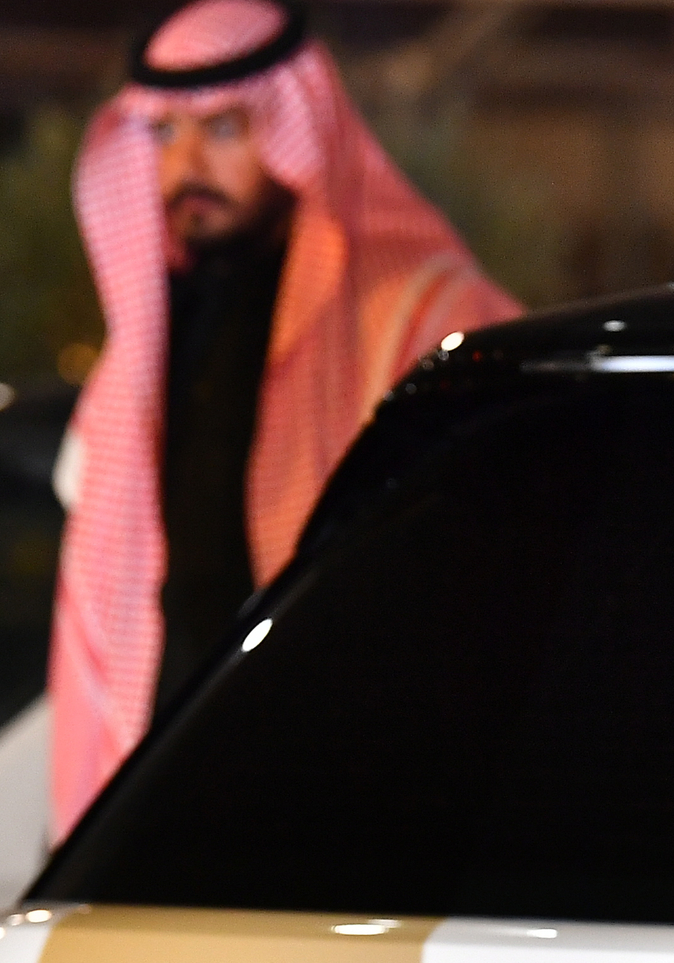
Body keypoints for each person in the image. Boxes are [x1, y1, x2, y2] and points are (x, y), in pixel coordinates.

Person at [47, 0, 520, 841]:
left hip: (345, 793)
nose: (186, 165)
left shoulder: (420, 314)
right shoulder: (147, 338)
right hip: (167, 793)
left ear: (297, 126)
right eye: (164, 134)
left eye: (223, 129)